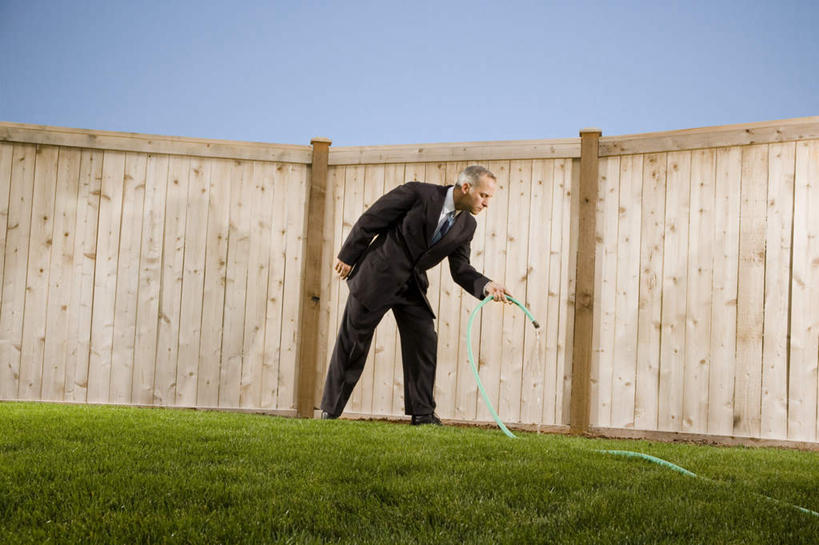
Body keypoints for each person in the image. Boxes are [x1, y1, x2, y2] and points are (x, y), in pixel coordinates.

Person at [320, 165, 511, 425]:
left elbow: (461, 269)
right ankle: (330, 411)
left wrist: (487, 285)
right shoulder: (418, 193)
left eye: (489, 197)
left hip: (412, 286)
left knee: (424, 340)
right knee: (353, 344)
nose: (487, 203)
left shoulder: (467, 225)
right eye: (484, 195)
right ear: (466, 187)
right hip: (377, 277)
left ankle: (422, 414)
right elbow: (372, 218)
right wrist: (347, 255)